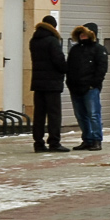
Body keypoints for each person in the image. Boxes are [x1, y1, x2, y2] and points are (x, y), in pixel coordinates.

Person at [29, 15, 68, 152]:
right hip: (52, 83)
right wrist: (66, 69)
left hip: (38, 83)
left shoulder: (34, 40)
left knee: (39, 114)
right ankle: (54, 142)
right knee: (54, 114)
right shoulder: (52, 41)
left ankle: (38, 143)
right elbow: (58, 61)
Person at [67, 23, 108, 151]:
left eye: (85, 33)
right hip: (75, 87)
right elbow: (69, 67)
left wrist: (94, 84)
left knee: (94, 114)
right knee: (81, 116)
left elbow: (102, 69)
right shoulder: (75, 50)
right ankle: (87, 139)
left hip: (90, 88)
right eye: (81, 34)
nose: (82, 36)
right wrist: (70, 83)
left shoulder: (99, 49)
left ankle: (96, 140)